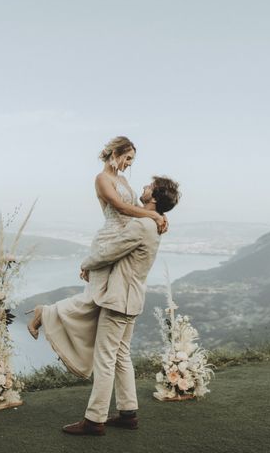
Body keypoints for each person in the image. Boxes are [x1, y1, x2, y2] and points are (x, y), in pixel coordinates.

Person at [25, 137, 167, 379]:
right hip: (109, 240)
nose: (130, 164)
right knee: (95, 297)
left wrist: (158, 215)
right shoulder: (102, 179)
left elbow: (135, 212)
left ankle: (49, 315)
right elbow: (120, 207)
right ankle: (45, 313)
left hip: (125, 241)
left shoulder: (122, 180)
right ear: (115, 154)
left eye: (133, 160)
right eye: (128, 158)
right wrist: (154, 217)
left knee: (101, 298)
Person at [61, 176, 181, 435]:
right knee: (121, 356)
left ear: (154, 198)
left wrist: (85, 264)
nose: (144, 188)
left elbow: (109, 251)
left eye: (149, 187)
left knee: (104, 359)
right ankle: (128, 414)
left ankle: (94, 420)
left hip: (118, 300)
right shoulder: (154, 224)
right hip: (132, 299)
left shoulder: (143, 226)